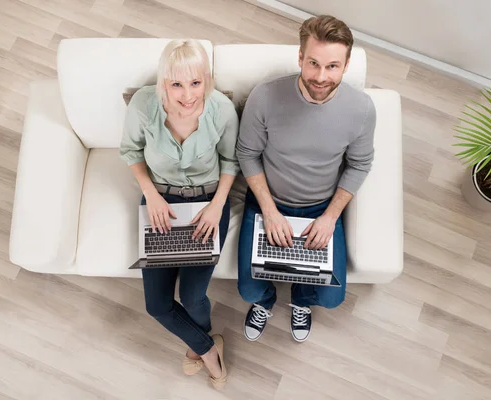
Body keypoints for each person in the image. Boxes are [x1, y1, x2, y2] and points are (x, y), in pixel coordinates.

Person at [236, 15, 376, 343]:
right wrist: (270, 212)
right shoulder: (265, 97)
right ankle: (266, 301)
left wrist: (330, 218)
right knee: (248, 289)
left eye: (332, 66)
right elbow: (247, 154)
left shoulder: (362, 109)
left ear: (345, 65)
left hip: (320, 208)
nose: (321, 76)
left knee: (331, 297)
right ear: (300, 57)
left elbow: (359, 164)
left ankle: (300, 299)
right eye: (313, 63)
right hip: (266, 202)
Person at [120, 39, 240, 389]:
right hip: (160, 203)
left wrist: (217, 206)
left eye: (195, 83)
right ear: (164, 83)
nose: (187, 95)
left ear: (207, 80)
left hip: (207, 204)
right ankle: (206, 348)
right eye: (176, 84)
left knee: (192, 295)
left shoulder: (221, 110)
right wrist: (151, 195)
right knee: (156, 305)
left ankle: (197, 345)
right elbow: (130, 150)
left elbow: (231, 162)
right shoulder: (144, 104)